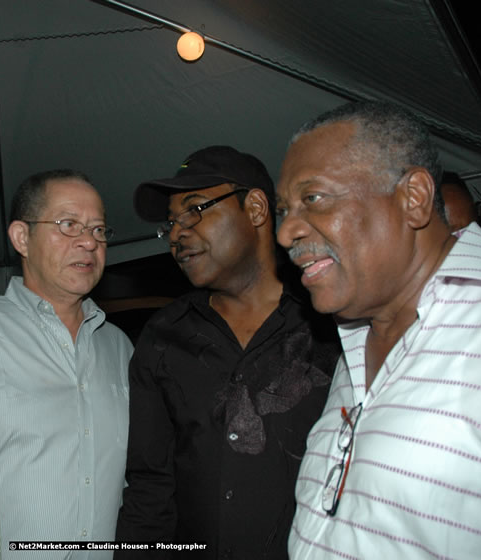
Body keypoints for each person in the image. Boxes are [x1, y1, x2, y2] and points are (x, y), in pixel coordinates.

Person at [276, 101, 481, 559]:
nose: (284, 234)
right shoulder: (353, 346)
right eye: (284, 209)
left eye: (313, 198)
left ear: (413, 197)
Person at [116, 146, 340, 558]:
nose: (178, 233)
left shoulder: (332, 323)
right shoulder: (163, 338)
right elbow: (150, 487)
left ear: (255, 208)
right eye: (171, 224)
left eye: (195, 209)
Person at [0, 169, 133, 557]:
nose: (89, 242)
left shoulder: (119, 347)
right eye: (68, 224)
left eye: (98, 230)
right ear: (21, 238)